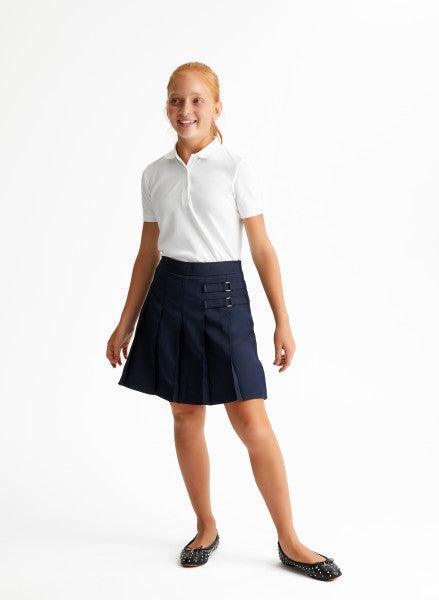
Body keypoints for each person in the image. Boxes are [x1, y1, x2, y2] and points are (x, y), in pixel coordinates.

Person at [106, 62, 342, 580]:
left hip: (225, 298)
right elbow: (147, 253)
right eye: (176, 100)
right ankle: (206, 526)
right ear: (167, 106)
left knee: (251, 420)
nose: (185, 109)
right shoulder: (154, 174)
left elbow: (262, 248)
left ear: (216, 107)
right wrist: (126, 322)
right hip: (170, 295)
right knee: (185, 415)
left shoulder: (236, 168)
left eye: (196, 100)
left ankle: (290, 540)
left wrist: (283, 321)